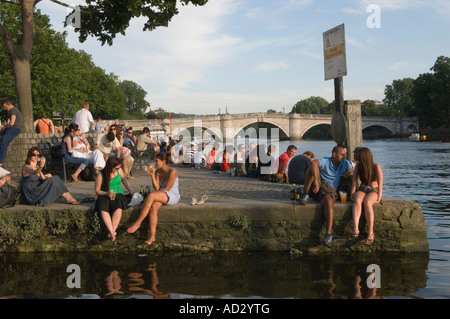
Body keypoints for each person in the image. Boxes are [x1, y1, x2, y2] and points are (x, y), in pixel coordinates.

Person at [299, 144, 352, 247]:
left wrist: (348, 173)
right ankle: (305, 194)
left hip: (329, 191)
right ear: (334, 154)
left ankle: (328, 234)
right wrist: (317, 182)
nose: (344, 156)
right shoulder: (326, 161)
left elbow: (352, 169)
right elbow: (314, 162)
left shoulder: (345, 164)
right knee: (312, 167)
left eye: (345, 154)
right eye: (342, 154)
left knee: (328, 202)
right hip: (317, 187)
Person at [127, 152, 180, 245]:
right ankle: (152, 236)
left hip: (172, 194)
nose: (155, 163)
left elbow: (167, 189)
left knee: (151, 196)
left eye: (157, 161)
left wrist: (153, 196)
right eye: (154, 161)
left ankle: (138, 222)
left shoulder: (172, 171)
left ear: (163, 161)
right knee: (154, 207)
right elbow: (157, 188)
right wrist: (152, 175)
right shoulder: (158, 172)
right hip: (162, 193)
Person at [350, 147, 383, 245]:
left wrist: (379, 197)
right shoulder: (358, 167)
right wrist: (352, 194)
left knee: (367, 203)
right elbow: (354, 182)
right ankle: (356, 228)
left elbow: (380, 184)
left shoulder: (376, 166)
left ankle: (370, 232)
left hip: (373, 190)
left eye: (357, 155)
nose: (356, 156)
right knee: (357, 200)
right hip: (362, 188)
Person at [95, 157, 133, 241]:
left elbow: (124, 180)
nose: (118, 169)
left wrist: (130, 190)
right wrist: (106, 193)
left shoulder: (119, 171)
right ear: (110, 167)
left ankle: (112, 231)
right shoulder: (101, 174)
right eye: (116, 168)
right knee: (103, 208)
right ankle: (112, 232)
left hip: (118, 193)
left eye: (119, 167)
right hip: (105, 193)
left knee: (118, 207)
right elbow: (97, 190)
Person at [0, 100, 22, 167]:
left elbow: (12, 123)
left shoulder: (13, 110)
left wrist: (4, 127)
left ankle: (0, 162)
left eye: (6, 107)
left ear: (9, 105)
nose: (5, 109)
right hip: (11, 128)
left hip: (14, 129)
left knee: (4, 144)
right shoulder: (13, 110)